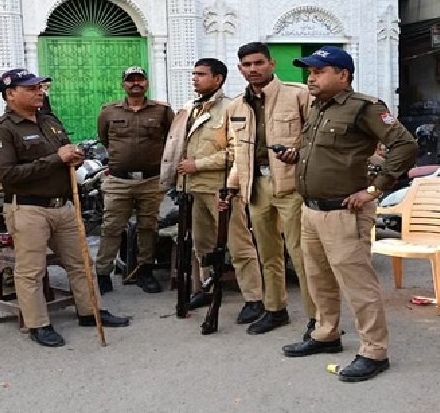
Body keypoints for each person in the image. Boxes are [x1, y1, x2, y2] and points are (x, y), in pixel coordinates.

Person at [280, 46, 417, 383]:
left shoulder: (365, 108)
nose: (311, 77)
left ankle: (374, 350)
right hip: (311, 210)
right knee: (318, 279)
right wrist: (295, 156)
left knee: (358, 284)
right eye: (309, 72)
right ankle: (326, 334)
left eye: (319, 71)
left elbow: (406, 146)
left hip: (345, 210)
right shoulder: (319, 107)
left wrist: (375, 189)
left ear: (343, 75)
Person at [0, 68, 129, 348]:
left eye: (40, 87)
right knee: (31, 270)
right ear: (10, 94)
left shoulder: (48, 121)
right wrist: (56, 159)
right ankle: (38, 324)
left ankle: (90, 312)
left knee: (80, 262)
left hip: (63, 206)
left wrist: (74, 155)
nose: (39, 91)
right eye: (30, 88)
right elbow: (9, 175)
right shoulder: (0, 131)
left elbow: (64, 152)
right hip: (28, 209)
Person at [160, 58, 264, 324]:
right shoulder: (189, 108)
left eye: (201, 74)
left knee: (239, 244)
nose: (194, 78)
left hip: (221, 189)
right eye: (193, 74)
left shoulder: (233, 108)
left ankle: (254, 298)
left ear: (218, 79)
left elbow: (238, 151)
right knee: (201, 244)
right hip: (191, 189)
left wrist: (199, 164)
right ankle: (207, 286)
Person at [226, 42, 316, 337]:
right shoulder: (236, 106)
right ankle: (275, 309)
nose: (253, 69)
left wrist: (297, 155)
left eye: (258, 63)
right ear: (240, 69)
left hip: (291, 185)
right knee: (268, 254)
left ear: (272, 64)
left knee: (302, 254)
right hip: (255, 186)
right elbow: (240, 151)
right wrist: (231, 187)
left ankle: (319, 320)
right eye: (247, 65)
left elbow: (315, 140)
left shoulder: (298, 95)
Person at [96, 66, 174, 294]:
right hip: (119, 181)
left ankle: (145, 271)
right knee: (111, 227)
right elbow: (104, 139)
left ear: (147, 83)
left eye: (140, 79)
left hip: (151, 180)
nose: (135, 84)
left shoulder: (162, 111)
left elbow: (172, 138)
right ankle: (102, 274)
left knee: (148, 227)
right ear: (123, 84)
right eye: (130, 80)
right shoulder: (109, 112)